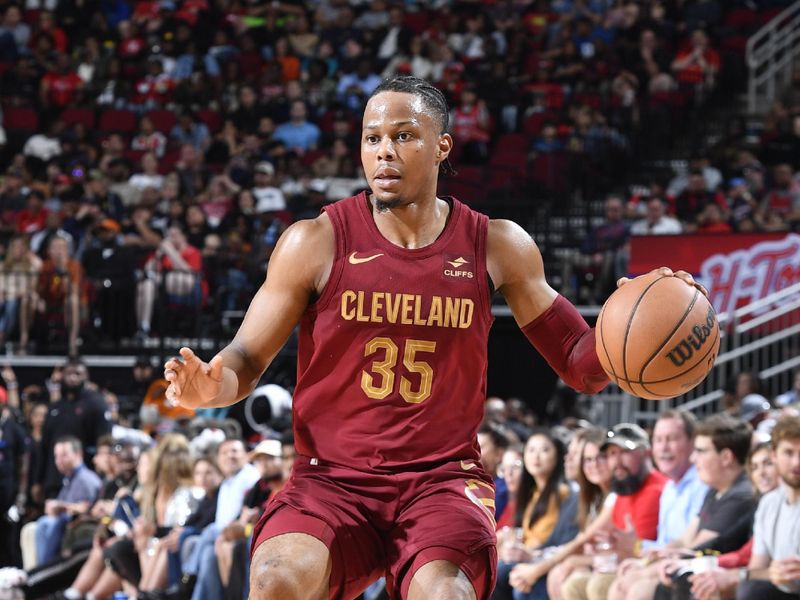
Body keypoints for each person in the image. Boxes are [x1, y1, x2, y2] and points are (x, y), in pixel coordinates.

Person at [163, 75, 702, 600]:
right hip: (330, 481)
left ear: (442, 146)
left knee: (444, 592)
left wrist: (623, 326)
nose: (384, 152)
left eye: (403, 136)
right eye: (372, 138)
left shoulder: (496, 244)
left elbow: (580, 366)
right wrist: (211, 388)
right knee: (276, 581)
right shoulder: (315, 241)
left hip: (440, 481)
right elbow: (246, 356)